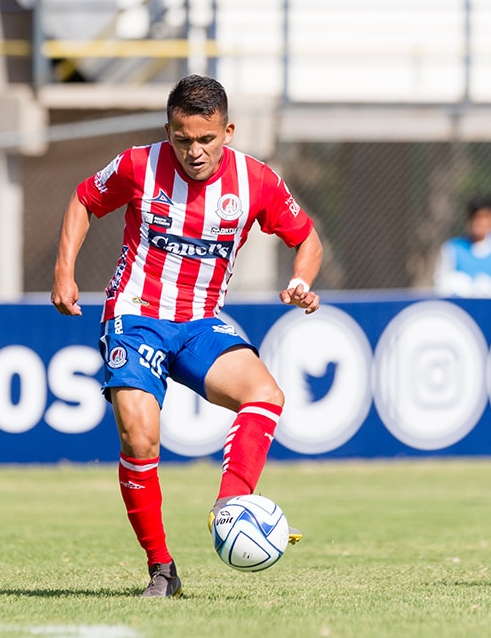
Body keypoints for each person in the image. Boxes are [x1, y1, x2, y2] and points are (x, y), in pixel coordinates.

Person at [50, 75, 323, 598]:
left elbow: (307, 238)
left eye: (206, 139)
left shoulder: (257, 181)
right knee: (139, 436)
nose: (194, 151)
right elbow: (83, 199)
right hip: (136, 315)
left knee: (265, 394)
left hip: (200, 321)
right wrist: (64, 273)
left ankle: (231, 507)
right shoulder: (137, 165)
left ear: (228, 131)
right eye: (182, 139)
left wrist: (301, 281)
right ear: (168, 131)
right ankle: (161, 568)